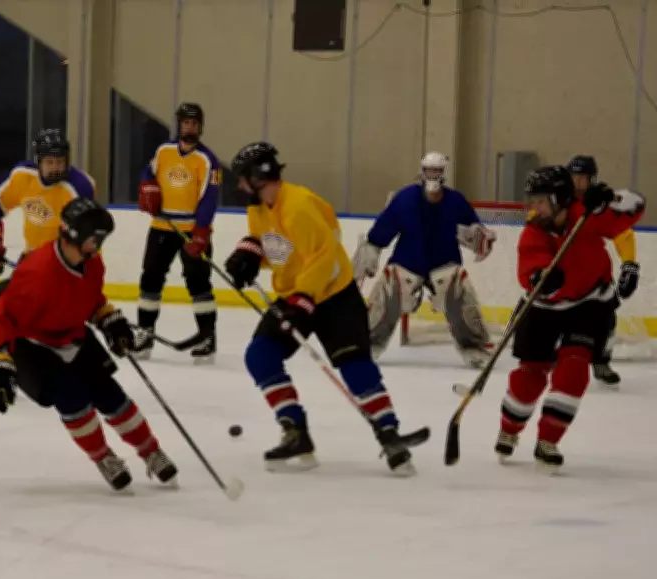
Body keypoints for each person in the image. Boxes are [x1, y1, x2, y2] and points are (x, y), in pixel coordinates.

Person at [223, 142, 429, 476]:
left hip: (335, 297)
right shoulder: (258, 208)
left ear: (258, 177)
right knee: (260, 356)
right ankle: (296, 432)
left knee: (355, 367)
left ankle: (389, 433)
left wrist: (305, 299)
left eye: (243, 178)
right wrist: (249, 253)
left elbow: (326, 258)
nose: (240, 186)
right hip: (295, 295)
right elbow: (278, 247)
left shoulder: (299, 206)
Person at [0, 197, 178, 491]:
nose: (99, 245)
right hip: (33, 345)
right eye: (96, 239)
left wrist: (110, 320)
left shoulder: (92, 263)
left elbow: (91, 299)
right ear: (77, 235)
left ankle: (151, 451)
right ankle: (103, 457)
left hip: (70, 335)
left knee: (110, 395)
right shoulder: (37, 274)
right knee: (72, 398)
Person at [495, 166, 644, 470]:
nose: (534, 207)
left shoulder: (586, 214)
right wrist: (540, 279)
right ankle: (509, 428)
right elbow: (530, 270)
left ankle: (548, 440)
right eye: (532, 200)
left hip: (588, 304)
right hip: (543, 308)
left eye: (540, 200)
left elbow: (635, 206)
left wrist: (608, 198)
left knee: (574, 369)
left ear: (560, 198)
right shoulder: (533, 232)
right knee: (529, 377)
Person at [0, 128, 96, 396]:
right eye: (50, 162)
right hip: (32, 262)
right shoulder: (23, 177)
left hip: (64, 265)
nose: (56, 167)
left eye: (60, 161)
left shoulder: (78, 187)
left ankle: (62, 369)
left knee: (42, 321)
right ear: (38, 161)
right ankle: (1, 369)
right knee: (2, 307)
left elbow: (87, 237)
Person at [352, 152, 497, 368]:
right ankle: (368, 344)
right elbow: (383, 229)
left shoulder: (456, 201)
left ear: (444, 172)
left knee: (460, 293)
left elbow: (474, 231)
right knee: (388, 290)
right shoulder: (405, 199)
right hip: (408, 261)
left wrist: (482, 238)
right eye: (430, 170)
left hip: (445, 262)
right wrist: (370, 251)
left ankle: (475, 347)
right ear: (422, 171)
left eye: (437, 170)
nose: (433, 175)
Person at [135, 102, 221, 363]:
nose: (189, 128)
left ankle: (207, 336)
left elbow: (210, 197)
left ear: (200, 127)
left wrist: (202, 230)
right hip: (161, 227)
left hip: (192, 231)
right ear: (179, 125)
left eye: (194, 124)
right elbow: (148, 171)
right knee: (151, 279)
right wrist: (147, 185)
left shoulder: (209, 160)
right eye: (185, 123)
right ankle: (145, 333)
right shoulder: (164, 151)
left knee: (198, 283)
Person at [567, 155, 639, 386]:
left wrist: (629, 264)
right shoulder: (559, 202)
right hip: (566, 277)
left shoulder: (601, 205)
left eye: (582, 178)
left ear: (592, 180)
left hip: (597, 277)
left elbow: (622, 232)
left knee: (606, 320)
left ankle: (601, 361)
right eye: (573, 178)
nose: (577, 183)